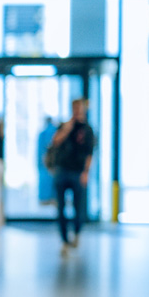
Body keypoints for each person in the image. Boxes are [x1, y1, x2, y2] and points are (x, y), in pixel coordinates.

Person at [47, 98, 96, 252]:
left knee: (78, 207)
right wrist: (67, 128)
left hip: (78, 172)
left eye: (80, 108)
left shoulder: (88, 130)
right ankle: (64, 240)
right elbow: (55, 141)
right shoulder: (65, 126)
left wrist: (86, 173)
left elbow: (90, 153)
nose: (77, 111)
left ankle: (76, 232)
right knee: (60, 208)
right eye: (75, 108)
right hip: (62, 170)